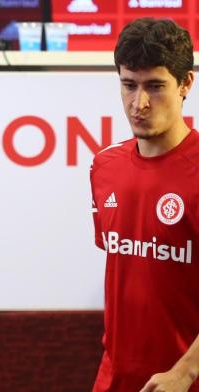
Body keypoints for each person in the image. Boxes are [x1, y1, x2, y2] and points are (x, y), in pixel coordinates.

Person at [90, 17, 199, 392]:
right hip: (115, 377)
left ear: (186, 83)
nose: (139, 103)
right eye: (129, 85)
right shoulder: (104, 165)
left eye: (155, 86)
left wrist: (183, 373)